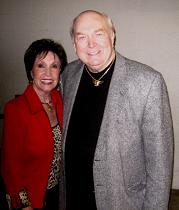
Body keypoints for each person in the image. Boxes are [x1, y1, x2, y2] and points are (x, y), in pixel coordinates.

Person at [60, 10, 174, 210]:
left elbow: (160, 168)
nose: (91, 44)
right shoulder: (68, 75)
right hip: (72, 198)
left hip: (120, 202)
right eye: (82, 37)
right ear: (74, 44)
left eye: (98, 34)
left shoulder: (147, 82)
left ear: (112, 36)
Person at [1, 38, 67, 210]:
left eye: (54, 66)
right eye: (40, 66)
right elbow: (10, 166)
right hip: (34, 196)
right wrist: (24, 204)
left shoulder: (61, 102)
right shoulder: (16, 109)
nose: (48, 73)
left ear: (60, 72)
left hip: (59, 194)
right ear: (31, 72)